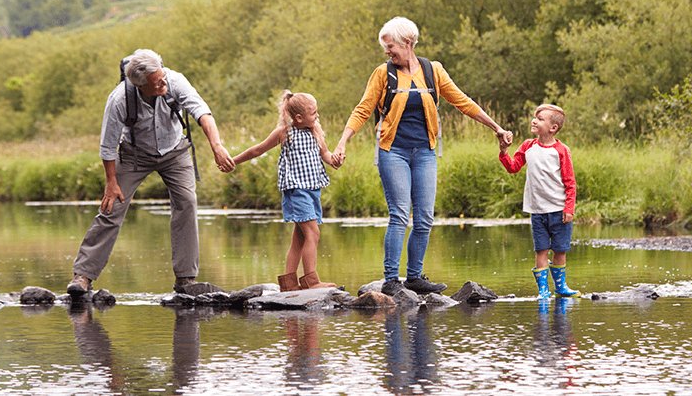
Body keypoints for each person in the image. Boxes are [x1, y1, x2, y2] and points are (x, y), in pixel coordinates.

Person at [332, 16, 512, 296]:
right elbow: (363, 109)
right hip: (393, 151)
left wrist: (496, 127)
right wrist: (343, 141)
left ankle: (414, 277)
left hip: (425, 152)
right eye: (385, 48)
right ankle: (391, 279)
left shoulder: (433, 70)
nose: (387, 52)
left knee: (425, 216)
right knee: (400, 214)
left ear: (408, 42)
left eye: (390, 46)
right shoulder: (383, 73)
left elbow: (462, 101)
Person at [66, 49, 235, 296]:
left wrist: (217, 146)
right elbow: (107, 145)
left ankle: (186, 280)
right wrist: (111, 182)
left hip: (175, 151)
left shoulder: (174, 80)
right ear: (140, 85)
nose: (163, 82)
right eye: (157, 82)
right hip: (134, 155)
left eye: (162, 76)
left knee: (186, 203)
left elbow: (203, 113)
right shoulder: (119, 99)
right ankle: (83, 276)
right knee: (112, 208)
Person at [232, 90, 338, 291]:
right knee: (313, 234)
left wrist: (335, 160)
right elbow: (258, 150)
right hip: (296, 190)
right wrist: (234, 160)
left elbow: (325, 153)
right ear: (299, 117)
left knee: (299, 237)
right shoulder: (284, 133)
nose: (317, 116)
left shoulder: (315, 131)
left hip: (313, 189)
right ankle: (311, 280)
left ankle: (289, 283)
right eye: (314, 113)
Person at [498, 104, 579, 298]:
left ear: (553, 128)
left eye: (540, 118)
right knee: (541, 249)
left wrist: (569, 208)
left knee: (560, 250)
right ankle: (543, 291)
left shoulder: (561, 150)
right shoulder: (528, 146)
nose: (534, 120)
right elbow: (513, 167)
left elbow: (570, 182)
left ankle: (560, 287)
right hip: (537, 211)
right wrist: (503, 151)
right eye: (535, 117)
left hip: (559, 210)